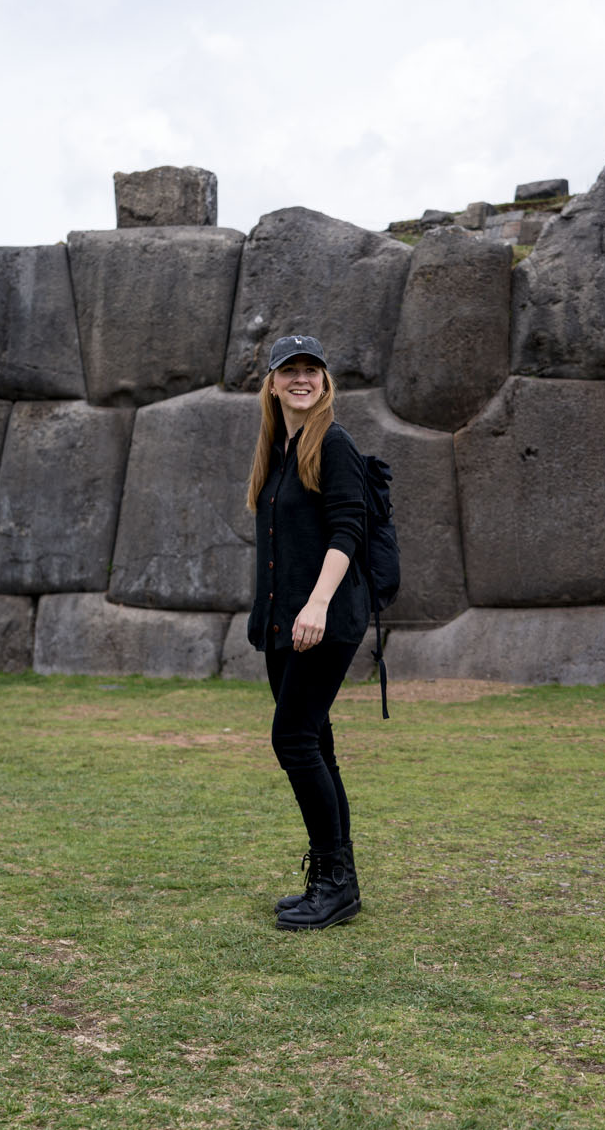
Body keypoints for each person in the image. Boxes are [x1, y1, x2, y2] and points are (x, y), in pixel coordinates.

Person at [247, 334, 370, 930]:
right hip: (283, 623)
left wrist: (317, 605)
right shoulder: (277, 449)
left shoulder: (334, 442)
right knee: (314, 744)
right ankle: (335, 882)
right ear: (272, 383)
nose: (301, 379)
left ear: (324, 382)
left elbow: (348, 531)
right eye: (288, 370)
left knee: (293, 740)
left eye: (311, 370)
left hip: (323, 619)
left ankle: (334, 883)